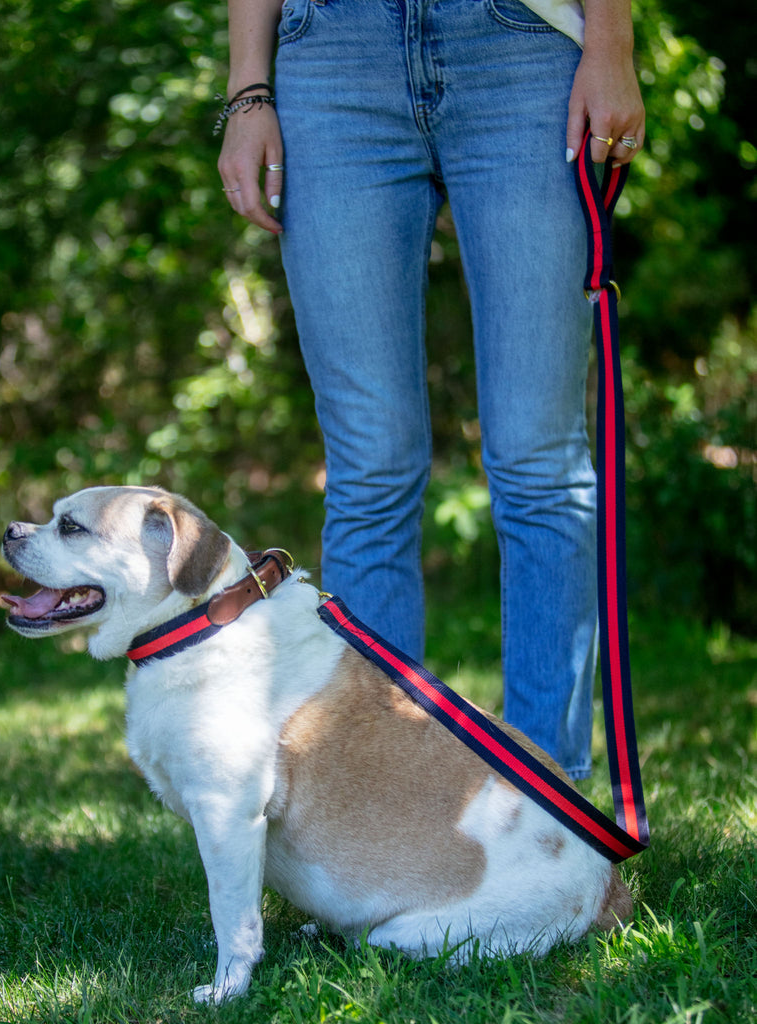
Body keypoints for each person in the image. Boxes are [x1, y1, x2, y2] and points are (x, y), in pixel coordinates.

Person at [217, 0, 644, 779]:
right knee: (368, 466)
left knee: (539, 460)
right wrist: (250, 91)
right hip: (331, 53)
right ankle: (377, 809)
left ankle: (552, 809)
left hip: (520, 41)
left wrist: (610, 42)